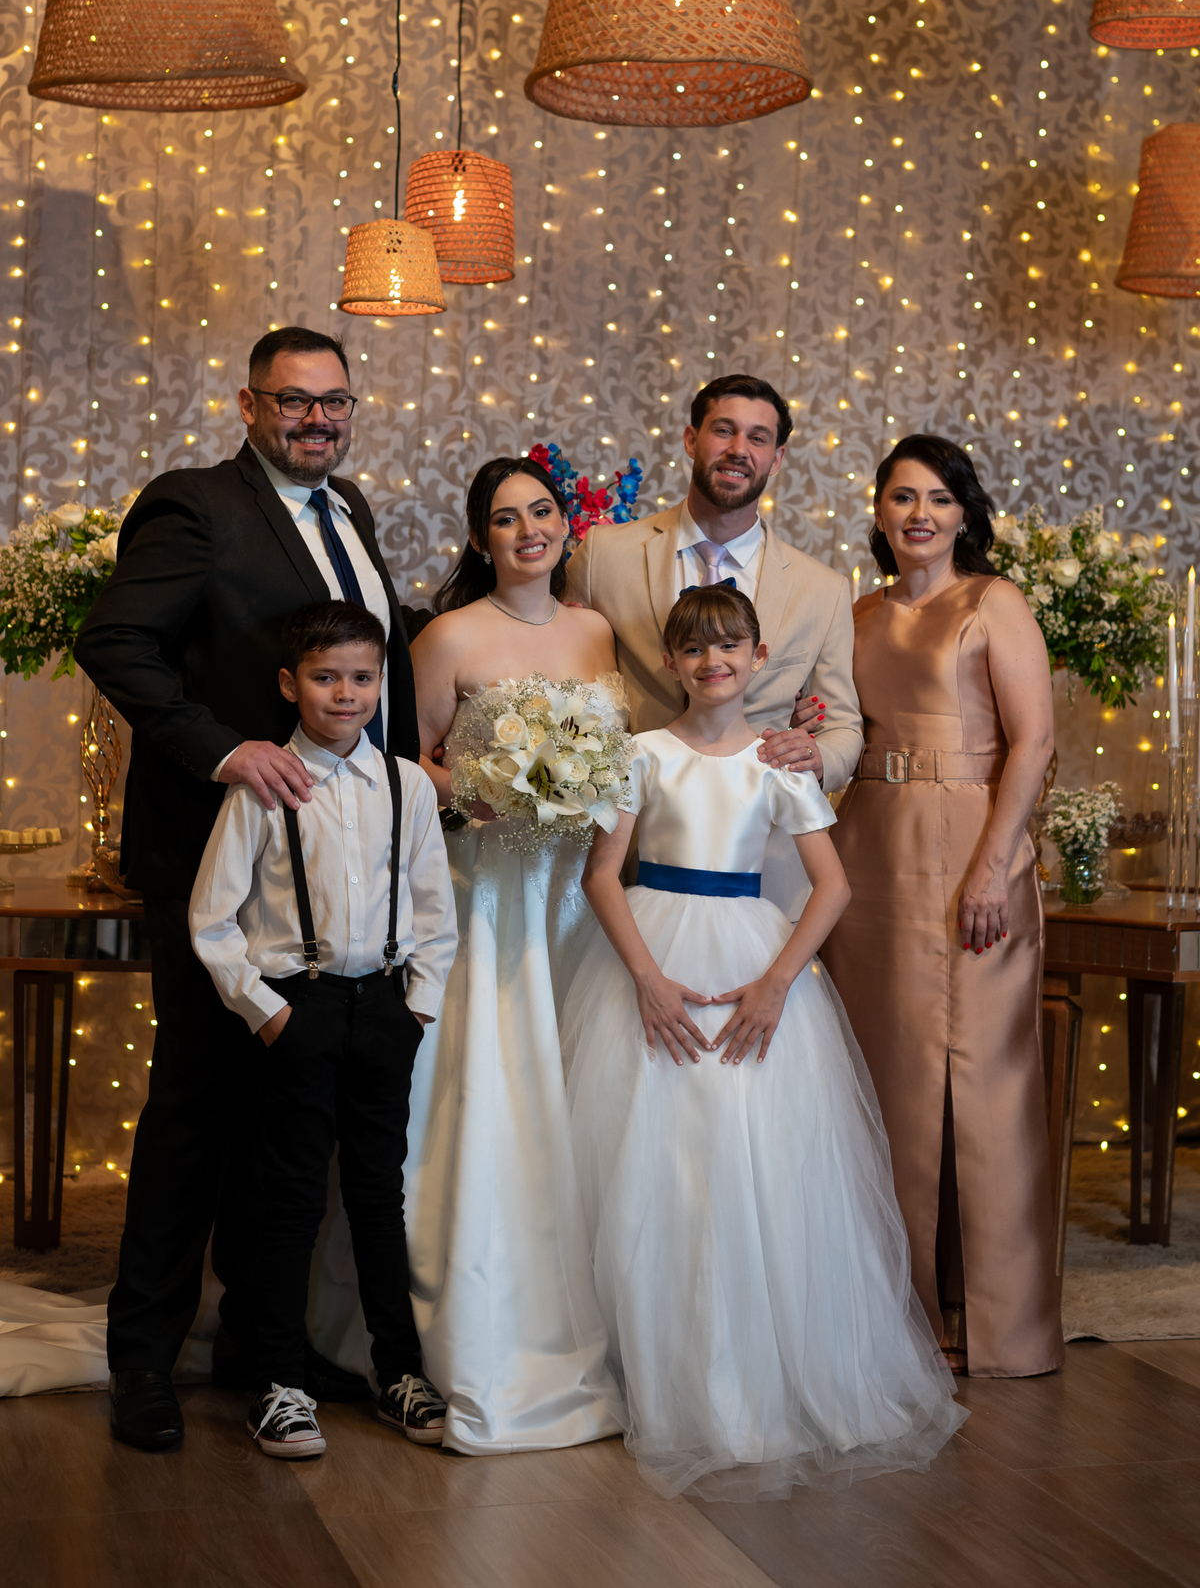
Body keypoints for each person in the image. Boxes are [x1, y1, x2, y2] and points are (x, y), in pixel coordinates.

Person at [74, 325, 425, 1451]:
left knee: (287, 1125)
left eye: (335, 402)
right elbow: (114, 639)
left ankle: (257, 1342)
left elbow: (374, 653)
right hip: (214, 857)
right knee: (196, 1107)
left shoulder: (350, 507)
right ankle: (144, 1359)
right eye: (295, 401)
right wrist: (223, 748)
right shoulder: (197, 504)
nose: (318, 419)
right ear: (249, 406)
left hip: (333, 880)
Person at [560, 586, 965, 1500]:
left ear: (758, 656)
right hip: (658, 953)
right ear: (671, 663)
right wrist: (646, 978)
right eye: (694, 649)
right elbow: (601, 876)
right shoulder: (640, 754)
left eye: (729, 647)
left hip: (751, 958)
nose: (712, 663)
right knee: (658, 1156)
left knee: (755, 1155)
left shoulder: (779, 762)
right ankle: (659, 1369)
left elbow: (832, 886)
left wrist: (779, 982)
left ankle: (753, 1372)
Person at [189, 601, 457, 1459]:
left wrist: (418, 1008)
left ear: (382, 683)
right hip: (294, 1010)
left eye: (362, 677)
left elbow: (434, 911)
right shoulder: (263, 785)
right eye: (326, 676)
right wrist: (268, 1015)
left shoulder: (408, 785)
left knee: (379, 1197)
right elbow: (211, 921)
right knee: (291, 1200)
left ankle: (398, 1370)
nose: (346, 694)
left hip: (384, 1009)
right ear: (289, 683)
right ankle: (277, 1381)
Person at [819, 434, 1062, 1378]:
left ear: (965, 514)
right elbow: (840, 730)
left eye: (938, 498)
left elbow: (1033, 742)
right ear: (878, 511)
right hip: (870, 848)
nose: (919, 514)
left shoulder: (994, 602)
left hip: (971, 847)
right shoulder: (855, 614)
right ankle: (898, 1321)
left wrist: (995, 867)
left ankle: (1003, 1327)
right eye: (902, 497)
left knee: (985, 1082)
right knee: (884, 1077)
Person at [396, 455, 625, 1454]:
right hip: (488, 886)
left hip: (579, 897)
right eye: (505, 517)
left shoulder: (597, 631)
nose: (528, 530)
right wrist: (494, 790)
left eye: (541, 512)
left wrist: (571, 789)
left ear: (565, 526)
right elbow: (410, 766)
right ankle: (478, 1312)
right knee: (488, 1086)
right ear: (480, 537)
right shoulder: (449, 636)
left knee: (582, 1087)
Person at [564, 374, 863, 916]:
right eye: (723, 430)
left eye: (757, 438)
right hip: (623, 847)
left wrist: (820, 756)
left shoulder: (823, 589)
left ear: (776, 459)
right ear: (691, 439)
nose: (738, 449)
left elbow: (844, 723)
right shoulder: (603, 555)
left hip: (759, 861)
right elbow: (559, 665)